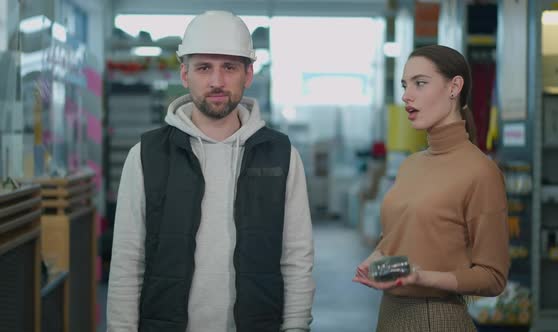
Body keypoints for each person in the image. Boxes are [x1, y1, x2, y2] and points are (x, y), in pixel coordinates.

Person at [106, 10, 315, 332]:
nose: (216, 81)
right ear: (184, 74)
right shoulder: (147, 155)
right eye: (204, 67)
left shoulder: (281, 155)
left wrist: (297, 327)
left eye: (229, 67)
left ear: (248, 74)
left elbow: (297, 258)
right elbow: (127, 261)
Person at [353, 45, 509, 331]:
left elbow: (493, 276)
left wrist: (425, 278)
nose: (406, 95)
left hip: (436, 318)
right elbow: (400, 237)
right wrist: (378, 256)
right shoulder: (411, 165)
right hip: (389, 315)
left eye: (420, 83)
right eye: (404, 85)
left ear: (454, 87)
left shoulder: (481, 172)